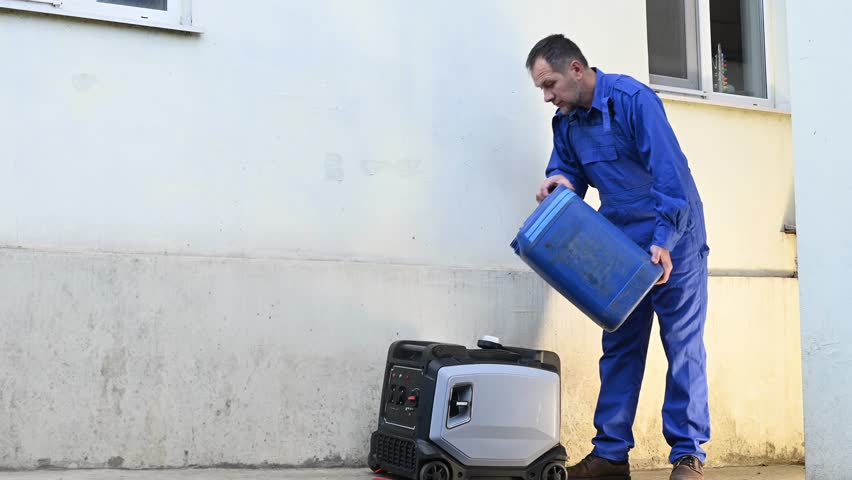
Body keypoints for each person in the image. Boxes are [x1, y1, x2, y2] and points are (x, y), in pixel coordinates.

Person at [525, 34, 711, 480]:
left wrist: (665, 238)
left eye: (549, 84)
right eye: (541, 89)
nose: (548, 96)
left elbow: (671, 175)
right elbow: (567, 166)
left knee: (681, 346)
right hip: (619, 245)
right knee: (620, 347)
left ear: (575, 69)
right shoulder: (567, 121)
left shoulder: (633, 101)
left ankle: (687, 455)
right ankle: (610, 455)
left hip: (675, 237)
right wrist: (561, 180)